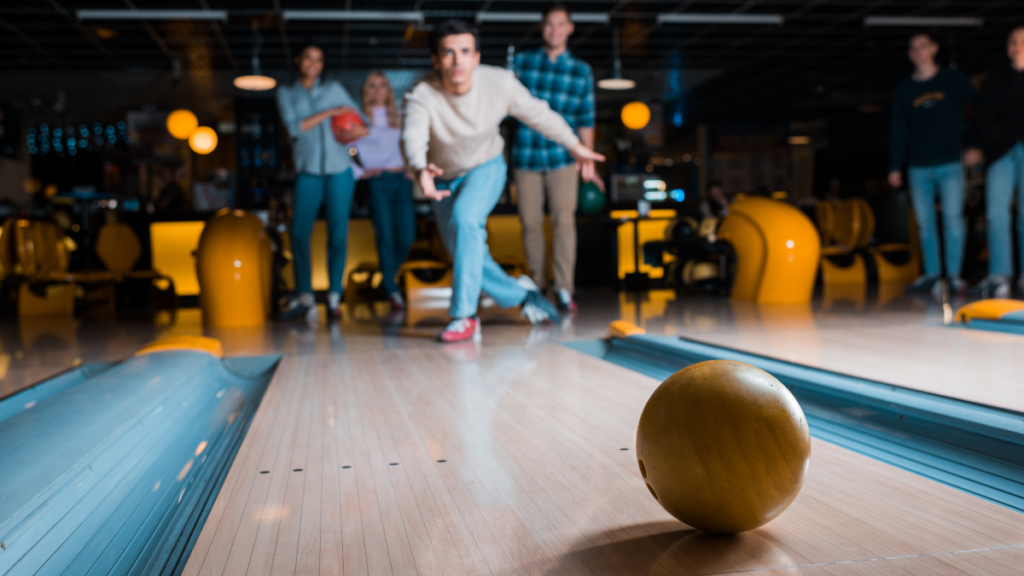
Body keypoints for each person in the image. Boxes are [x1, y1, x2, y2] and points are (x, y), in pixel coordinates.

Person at [402, 19, 605, 343]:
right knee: (466, 252)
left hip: (485, 166)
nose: (458, 61)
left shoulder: (498, 84)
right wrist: (419, 168)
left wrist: (575, 145)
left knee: (467, 221)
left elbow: (540, 114)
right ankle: (521, 295)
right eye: (448, 53)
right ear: (436, 60)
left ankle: (464, 317)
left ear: (477, 57)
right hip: (442, 176)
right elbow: (412, 135)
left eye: (465, 52)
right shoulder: (422, 93)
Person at [512, 3, 601, 312]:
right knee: (530, 223)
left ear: (570, 28)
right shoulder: (522, 63)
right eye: (549, 24)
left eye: (560, 24)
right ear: (542, 28)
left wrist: (587, 161)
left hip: (564, 158)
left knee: (564, 222)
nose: (554, 29)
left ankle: (564, 288)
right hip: (526, 155)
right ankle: (538, 286)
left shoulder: (580, 71)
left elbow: (585, 118)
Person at [277, 45, 368, 323]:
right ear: (298, 60)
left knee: (338, 235)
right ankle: (305, 296)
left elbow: (362, 126)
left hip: (340, 170)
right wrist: (329, 113)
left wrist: (354, 129)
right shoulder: (286, 92)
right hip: (308, 171)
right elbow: (294, 127)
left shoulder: (334, 89)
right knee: (299, 232)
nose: (313, 63)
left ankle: (334, 297)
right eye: (308, 57)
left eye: (319, 58)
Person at [889, 31, 980, 297]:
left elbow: (979, 107)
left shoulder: (952, 79)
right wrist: (895, 165)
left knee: (953, 219)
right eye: (913, 48)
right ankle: (932, 274)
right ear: (910, 54)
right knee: (924, 223)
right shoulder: (904, 90)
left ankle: (953, 276)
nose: (918, 52)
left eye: (923, 46)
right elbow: (898, 129)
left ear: (934, 49)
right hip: (918, 166)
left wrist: (975, 145)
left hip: (951, 162)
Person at [353, 71, 415, 311]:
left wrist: (412, 167)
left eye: (382, 85)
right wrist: (360, 173)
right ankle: (391, 290)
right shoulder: (359, 121)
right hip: (378, 181)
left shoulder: (400, 117)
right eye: (372, 86)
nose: (377, 90)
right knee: (386, 238)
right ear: (365, 91)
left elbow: (414, 144)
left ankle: (388, 278)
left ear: (389, 90)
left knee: (407, 236)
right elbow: (339, 150)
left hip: (402, 180)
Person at [973, 26, 1024, 298]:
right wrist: (1001, 137)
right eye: (1012, 41)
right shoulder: (995, 79)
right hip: (1000, 152)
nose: (1016, 45)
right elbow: (983, 117)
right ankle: (999, 276)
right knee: (995, 215)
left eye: (1022, 41)